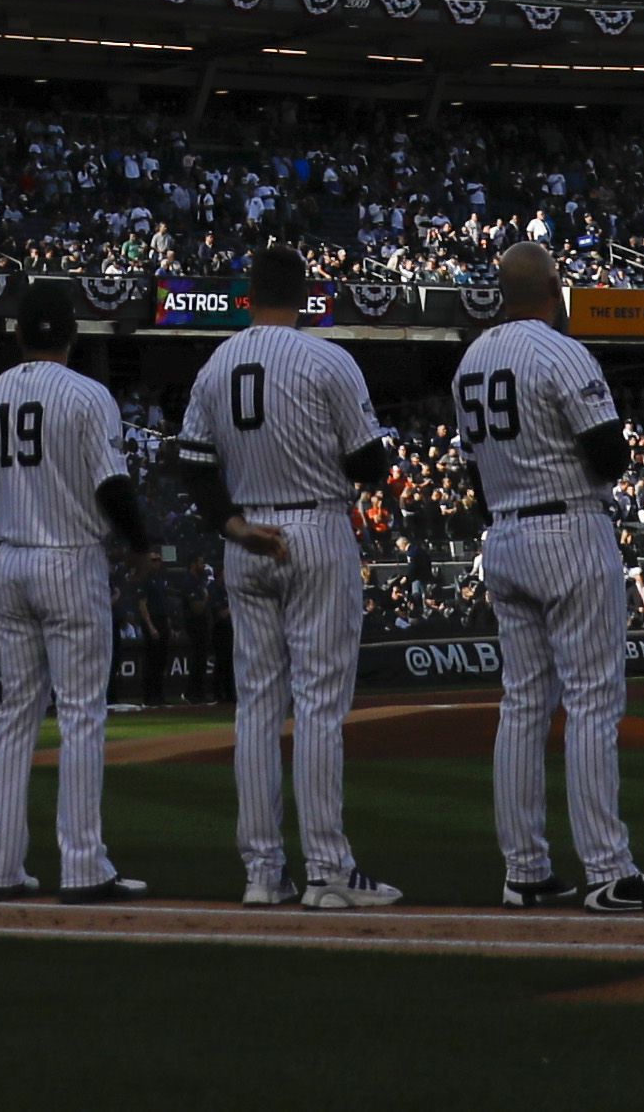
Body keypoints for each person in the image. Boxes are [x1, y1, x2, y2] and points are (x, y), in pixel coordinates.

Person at [457, 241, 644, 913]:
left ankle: (524, 869)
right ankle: (608, 869)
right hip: (568, 528)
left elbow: (474, 474)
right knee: (591, 700)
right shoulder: (561, 349)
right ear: (554, 287)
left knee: (522, 703)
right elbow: (609, 454)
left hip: (503, 531)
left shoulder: (470, 359)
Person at [176, 242, 397, 910]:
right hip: (313, 530)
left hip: (246, 538)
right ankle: (328, 870)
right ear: (305, 296)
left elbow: (191, 463)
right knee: (321, 707)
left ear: (248, 295)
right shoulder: (328, 357)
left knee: (256, 708)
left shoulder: (217, 363)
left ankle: (262, 872)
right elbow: (369, 465)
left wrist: (236, 526)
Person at [0, 284, 153, 904]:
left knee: (15, 716)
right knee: (81, 714)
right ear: (71, 337)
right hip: (70, 560)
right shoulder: (88, 395)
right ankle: (82, 866)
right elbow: (111, 485)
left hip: (12, 564)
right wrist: (141, 540)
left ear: (20, 336)